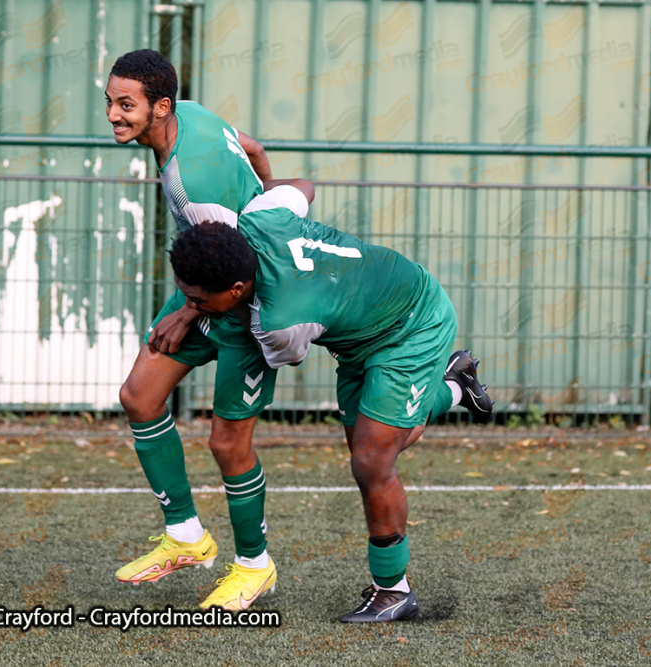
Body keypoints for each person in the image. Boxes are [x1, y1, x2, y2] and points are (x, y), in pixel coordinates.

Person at [167, 205, 494, 623]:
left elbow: (282, 352)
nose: (190, 306)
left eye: (196, 299)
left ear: (234, 289)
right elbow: (300, 190)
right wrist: (192, 308)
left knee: (373, 461)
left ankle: (393, 591)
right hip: (358, 334)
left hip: (412, 324)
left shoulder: (279, 324)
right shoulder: (258, 218)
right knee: (380, 443)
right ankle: (454, 386)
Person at [106, 49, 311, 610]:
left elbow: (238, 257)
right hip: (205, 284)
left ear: (160, 106)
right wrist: (268, 200)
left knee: (227, 442)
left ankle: (254, 567)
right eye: (111, 102)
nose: (114, 115)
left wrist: (189, 311)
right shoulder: (193, 114)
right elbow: (254, 148)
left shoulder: (194, 185)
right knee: (140, 397)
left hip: (244, 303)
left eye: (127, 105)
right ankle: (186, 537)